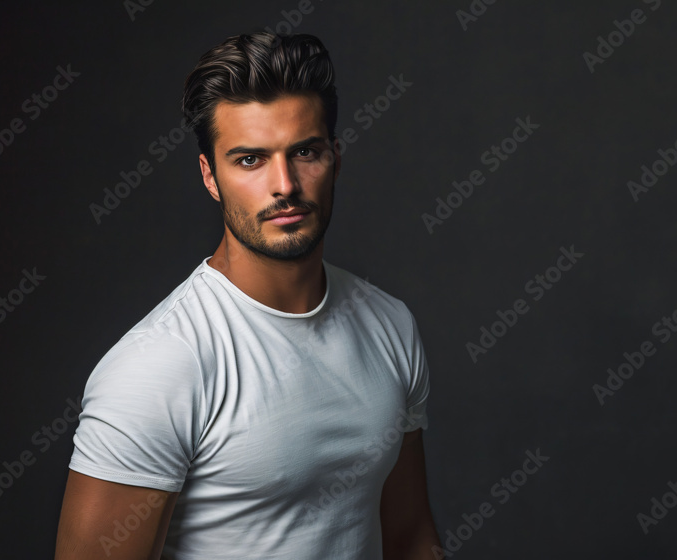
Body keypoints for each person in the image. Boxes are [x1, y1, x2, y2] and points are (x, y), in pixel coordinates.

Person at [54, 31, 442, 560]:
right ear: (210, 177)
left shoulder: (390, 325)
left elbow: (411, 540)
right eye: (250, 160)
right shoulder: (159, 368)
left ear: (335, 157)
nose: (285, 184)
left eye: (305, 152)